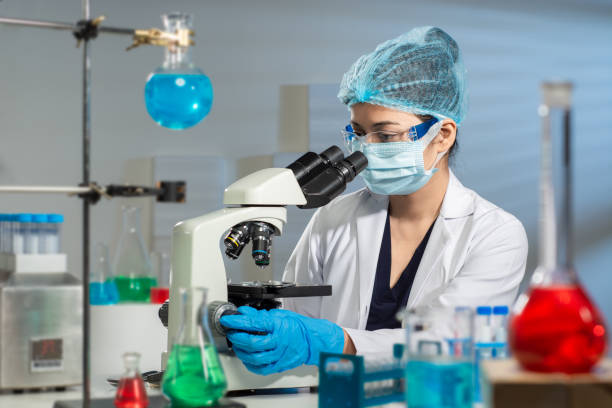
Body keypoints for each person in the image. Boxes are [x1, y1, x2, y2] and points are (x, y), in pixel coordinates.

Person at [220, 26, 528, 375]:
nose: (367, 148)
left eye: (386, 134)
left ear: (442, 135)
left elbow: (449, 343)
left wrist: (336, 343)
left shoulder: (495, 234)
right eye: (359, 133)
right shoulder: (334, 217)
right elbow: (297, 322)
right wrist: (262, 336)